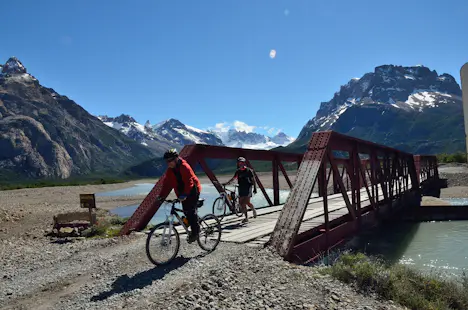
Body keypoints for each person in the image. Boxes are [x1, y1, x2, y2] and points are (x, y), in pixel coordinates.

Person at [158, 149, 202, 243]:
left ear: (176, 159)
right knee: (186, 211)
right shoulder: (170, 170)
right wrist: (161, 196)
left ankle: (195, 232)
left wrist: (185, 195)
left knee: (190, 211)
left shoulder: (184, 166)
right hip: (182, 192)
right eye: (167, 161)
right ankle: (193, 221)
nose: (168, 163)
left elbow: (189, 183)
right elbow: (166, 183)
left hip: (193, 189)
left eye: (170, 160)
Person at [224, 157, 257, 223]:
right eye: (239, 162)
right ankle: (246, 218)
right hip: (241, 188)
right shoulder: (238, 171)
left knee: (246, 202)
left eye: (241, 162)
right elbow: (234, 178)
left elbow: (253, 180)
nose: (240, 163)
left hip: (248, 187)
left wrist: (255, 188)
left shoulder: (249, 170)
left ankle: (253, 209)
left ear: (244, 163)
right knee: (241, 203)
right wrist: (226, 183)